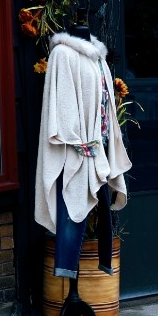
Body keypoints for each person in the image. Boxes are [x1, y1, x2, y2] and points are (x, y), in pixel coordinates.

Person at [34, 26, 132, 278]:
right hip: (74, 152)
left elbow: (106, 106)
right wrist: (77, 142)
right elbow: (61, 106)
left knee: (104, 214)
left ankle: (102, 265)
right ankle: (67, 277)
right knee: (71, 208)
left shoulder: (98, 58)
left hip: (98, 150)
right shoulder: (62, 54)